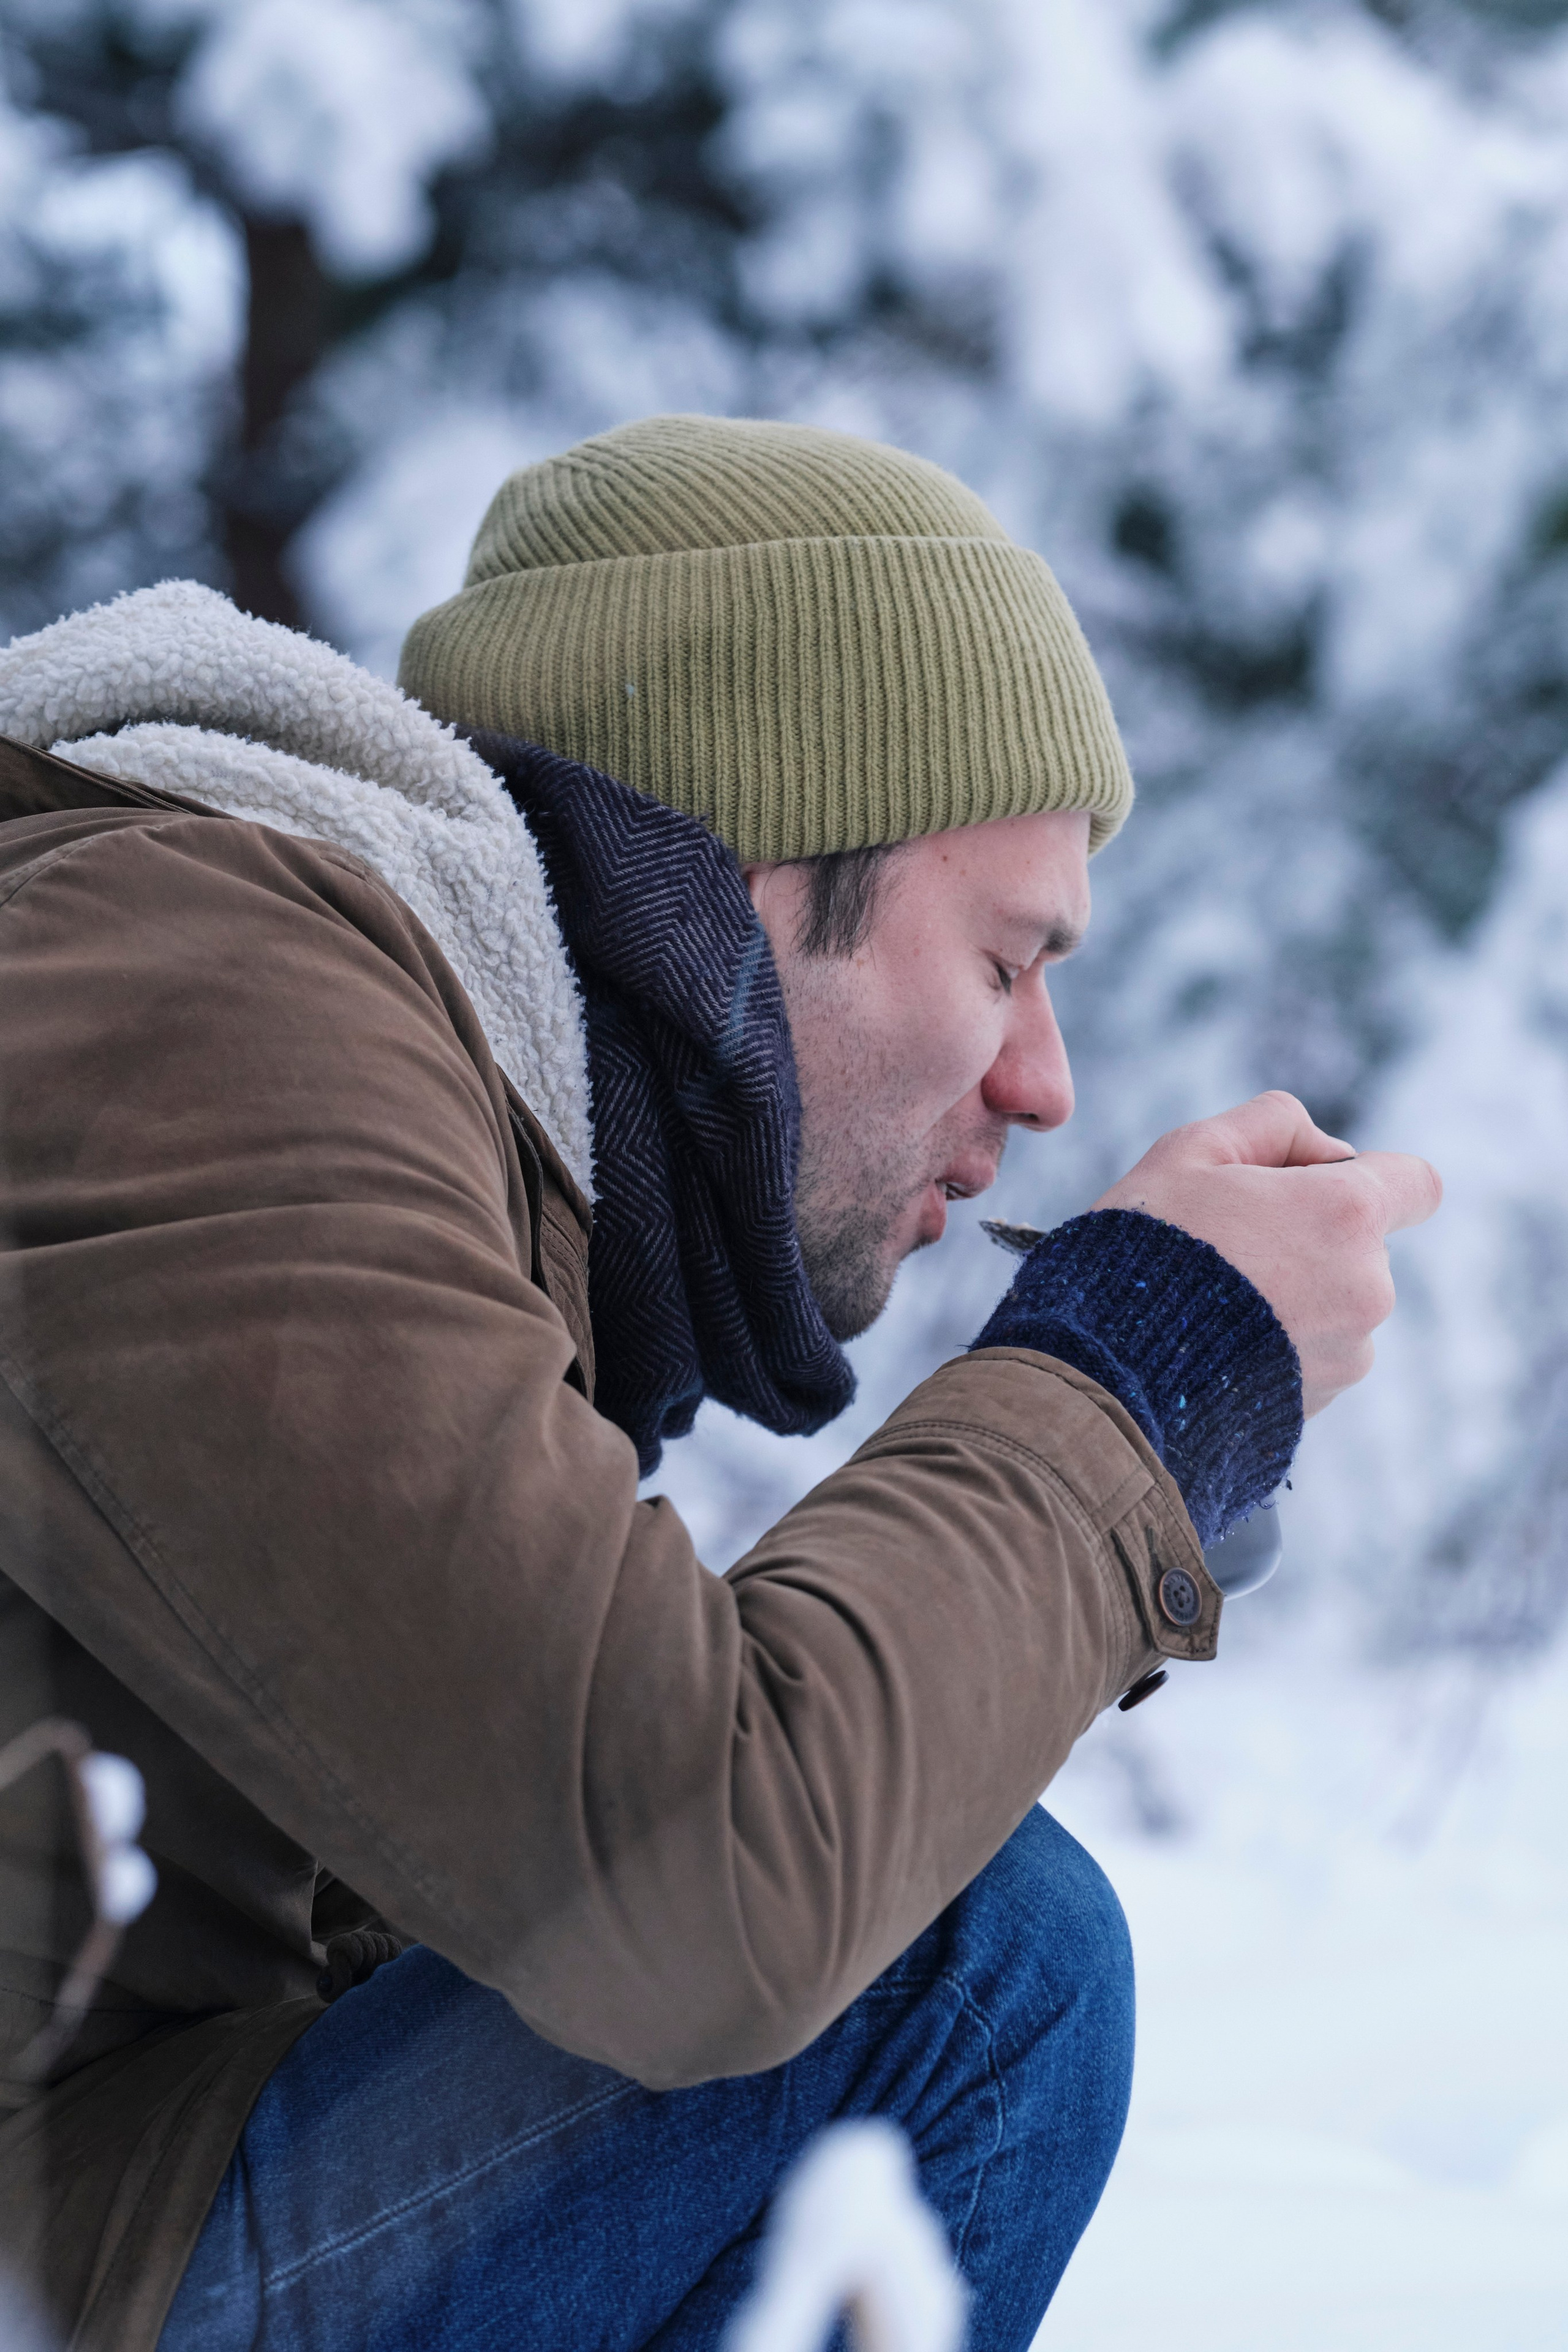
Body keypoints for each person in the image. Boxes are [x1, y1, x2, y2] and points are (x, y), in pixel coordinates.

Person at [0, 417, 1439, 2351]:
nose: (1047, 1084)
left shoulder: (410, 1099)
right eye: (1011, 962)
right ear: (753, 879)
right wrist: (1131, 1384)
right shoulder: (191, 997)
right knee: (964, 1965)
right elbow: (705, 1890)